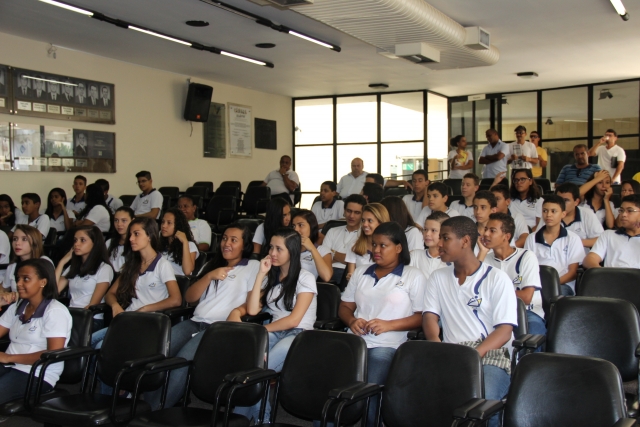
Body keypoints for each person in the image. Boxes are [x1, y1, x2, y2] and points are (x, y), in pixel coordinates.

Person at [146, 223, 260, 410]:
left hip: (217, 329)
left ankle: (156, 410)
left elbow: (254, 300)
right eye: (224, 238)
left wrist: (237, 312)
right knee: (158, 352)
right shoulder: (212, 264)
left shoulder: (252, 266)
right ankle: (147, 403)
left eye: (234, 240)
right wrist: (209, 276)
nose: (226, 243)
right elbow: (190, 298)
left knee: (182, 361)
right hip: (194, 322)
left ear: (245, 245)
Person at [423, 216, 517, 427]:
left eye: (445, 238)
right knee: (427, 397)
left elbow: (504, 331)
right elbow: (429, 317)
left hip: (488, 356)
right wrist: (437, 347)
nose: (439, 243)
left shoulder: (497, 278)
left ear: (465, 241)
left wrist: (473, 355)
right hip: (450, 353)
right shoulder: (437, 277)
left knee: (481, 405)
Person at [340, 222, 426, 427]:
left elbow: (422, 316)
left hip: (388, 345)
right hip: (355, 341)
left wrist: (389, 325)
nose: (376, 250)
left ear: (398, 248)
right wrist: (352, 320)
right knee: (332, 378)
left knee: (369, 386)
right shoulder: (361, 272)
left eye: (383, 245)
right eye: (374, 244)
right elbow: (344, 307)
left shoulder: (413, 275)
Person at [232, 228, 317, 423]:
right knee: (251, 365)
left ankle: (262, 420)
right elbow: (253, 310)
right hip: (275, 331)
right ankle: (240, 419)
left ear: (292, 252)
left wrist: (261, 331)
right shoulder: (272, 276)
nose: (272, 253)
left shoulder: (305, 278)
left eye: (279, 249)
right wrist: (261, 275)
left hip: (299, 336)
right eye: (271, 247)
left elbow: (294, 320)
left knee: (258, 370)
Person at [92, 218, 181, 348]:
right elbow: (110, 294)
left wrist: (145, 309)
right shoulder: (133, 263)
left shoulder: (162, 265)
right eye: (131, 234)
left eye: (136, 234)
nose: (131, 239)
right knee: (89, 341)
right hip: (129, 318)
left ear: (149, 236)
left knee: (101, 346)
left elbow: (176, 299)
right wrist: (115, 306)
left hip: (148, 322)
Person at [0, 259, 72, 405]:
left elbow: (51, 354)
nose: (19, 283)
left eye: (26, 279)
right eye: (18, 278)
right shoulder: (18, 306)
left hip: (36, 373)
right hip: (8, 366)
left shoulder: (55, 311)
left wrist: (9, 358)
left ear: (43, 282)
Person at [481, 213, 546, 336]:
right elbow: (474, 292)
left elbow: (526, 297)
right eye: (485, 229)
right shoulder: (484, 259)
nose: (486, 234)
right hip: (493, 312)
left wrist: (494, 294)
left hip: (527, 312)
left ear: (506, 236)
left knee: (532, 333)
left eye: (492, 231)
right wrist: (482, 252)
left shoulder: (527, 256)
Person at [55, 226, 113, 332]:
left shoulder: (104, 268)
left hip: (90, 319)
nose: (77, 244)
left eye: (83, 240)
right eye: (75, 240)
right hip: (70, 316)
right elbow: (53, 291)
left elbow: (92, 305)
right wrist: (62, 262)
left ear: (95, 243)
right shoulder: (73, 267)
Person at [524, 195, 584, 296]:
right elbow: (527, 267)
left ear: (563, 214)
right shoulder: (532, 238)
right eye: (545, 211)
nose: (548, 215)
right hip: (537, 285)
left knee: (557, 297)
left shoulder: (573, 238)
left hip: (563, 284)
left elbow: (573, 272)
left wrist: (551, 285)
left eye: (553, 211)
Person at [584, 195, 640, 269]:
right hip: (612, 278)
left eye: (630, 211)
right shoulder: (608, 235)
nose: (623, 215)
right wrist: (602, 273)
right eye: (621, 210)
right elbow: (590, 259)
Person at [320, 194, 365, 283]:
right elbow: (323, 258)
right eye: (349, 211)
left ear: (363, 214)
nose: (351, 216)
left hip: (349, 274)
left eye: (357, 212)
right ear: (344, 211)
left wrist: (332, 253)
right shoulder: (332, 231)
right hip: (328, 271)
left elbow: (359, 262)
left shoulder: (365, 234)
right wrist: (348, 258)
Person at [1, 225, 53, 297]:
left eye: (24, 239)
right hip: (15, 307)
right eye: (15, 239)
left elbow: (49, 291)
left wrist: (14, 296)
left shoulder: (44, 262)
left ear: (34, 242)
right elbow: (3, 289)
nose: (17, 243)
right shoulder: (12, 266)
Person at [345, 203, 391, 281]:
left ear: (381, 222)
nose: (365, 224)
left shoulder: (391, 246)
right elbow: (351, 275)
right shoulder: (354, 245)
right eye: (363, 220)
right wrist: (351, 277)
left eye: (370, 221)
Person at [555, 182, 604, 255]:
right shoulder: (550, 214)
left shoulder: (587, 214)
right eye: (559, 200)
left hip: (580, 262)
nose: (561, 204)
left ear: (576, 202)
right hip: (554, 260)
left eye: (566, 200)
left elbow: (601, 239)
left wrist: (575, 242)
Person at [292, 210, 333, 281]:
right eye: (293, 226)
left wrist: (312, 248)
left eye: (300, 225)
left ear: (311, 227)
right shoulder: (287, 248)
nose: (296, 229)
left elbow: (327, 277)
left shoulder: (322, 250)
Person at [409, 211, 450, 279]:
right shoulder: (414, 255)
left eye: (433, 230)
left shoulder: (452, 261)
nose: (427, 233)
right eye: (425, 229)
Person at [159, 208, 198, 276]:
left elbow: (187, 271)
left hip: (178, 283)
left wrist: (185, 242)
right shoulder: (160, 244)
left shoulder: (189, 245)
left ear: (178, 225)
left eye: (169, 223)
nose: (164, 226)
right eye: (163, 222)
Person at [106, 207, 134, 272]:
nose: (119, 224)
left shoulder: (136, 244)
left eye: (124, 220)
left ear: (132, 221)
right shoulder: (109, 242)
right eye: (116, 220)